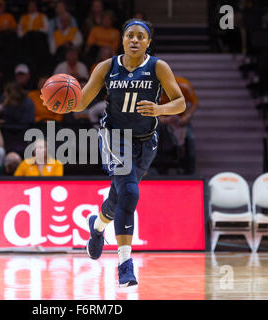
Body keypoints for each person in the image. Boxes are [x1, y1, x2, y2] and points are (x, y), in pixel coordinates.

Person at [67, 18, 186, 286]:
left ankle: (97, 228)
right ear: (121, 40)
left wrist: (159, 109)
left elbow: (180, 103)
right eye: (130, 35)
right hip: (114, 136)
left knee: (120, 195)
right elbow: (81, 103)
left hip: (146, 140)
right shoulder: (106, 67)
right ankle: (125, 265)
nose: (134, 40)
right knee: (130, 192)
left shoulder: (158, 67)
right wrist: (62, 102)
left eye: (140, 37)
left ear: (148, 42)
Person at [159, 76, 198, 175]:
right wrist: (159, 118)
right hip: (160, 119)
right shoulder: (151, 87)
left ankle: (190, 172)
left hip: (179, 120)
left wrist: (187, 117)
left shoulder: (184, 85)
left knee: (190, 139)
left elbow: (194, 103)